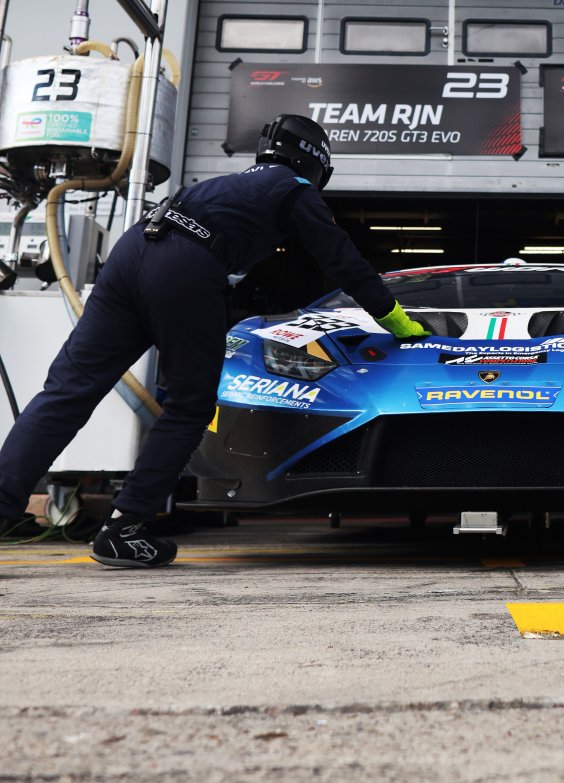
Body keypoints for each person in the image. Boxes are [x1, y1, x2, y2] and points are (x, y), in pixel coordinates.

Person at [0, 113, 428, 569]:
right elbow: (345, 262)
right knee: (191, 406)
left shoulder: (220, 185)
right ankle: (125, 528)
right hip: (186, 267)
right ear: (317, 163)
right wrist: (399, 322)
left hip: (132, 251)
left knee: (67, 391)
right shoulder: (293, 188)